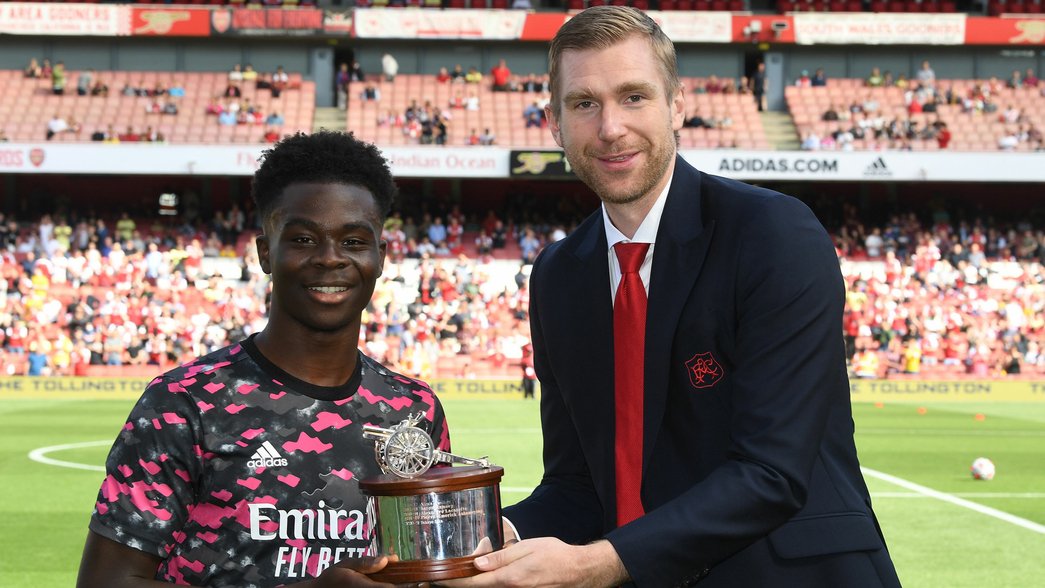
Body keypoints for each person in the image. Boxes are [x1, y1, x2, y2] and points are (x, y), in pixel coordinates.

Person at [449, 7, 899, 588]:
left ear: (678, 105)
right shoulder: (558, 276)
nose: (610, 127)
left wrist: (598, 564)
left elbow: (772, 471)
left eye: (633, 96)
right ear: (555, 124)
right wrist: (496, 540)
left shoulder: (773, 234)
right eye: (584, 103)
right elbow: (578, 484)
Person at [76, 131, 451, 587]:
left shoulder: (414, 412)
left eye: (354, 241)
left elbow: (431, 567)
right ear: (265, 253)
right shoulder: (184, 403)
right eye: (304, 239)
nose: (330, 259)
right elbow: (106, 582)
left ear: (381, 256)